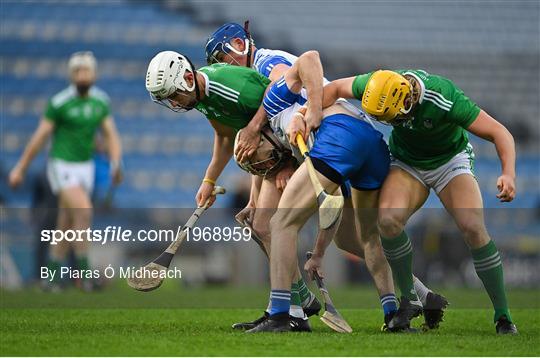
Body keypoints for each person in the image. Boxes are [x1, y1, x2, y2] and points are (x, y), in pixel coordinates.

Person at [206, 23, 447, 331]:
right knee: (356, 240)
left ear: (239, 45)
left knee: (282, 222)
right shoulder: (256, 89)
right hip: (364, 141)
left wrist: (311, 113)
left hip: (336, 136)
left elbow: (305, 70)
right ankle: (413, 301)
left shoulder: (264, 62)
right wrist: (265, 190)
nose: (223, 68)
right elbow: (280, 129)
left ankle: (284, 314)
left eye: (222, 59)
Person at [320, 69, 518, 334]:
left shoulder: (443, 97)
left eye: (392, 118)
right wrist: (306, 114)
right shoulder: (376, 83)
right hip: (407, 163)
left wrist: (508, 173)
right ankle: (410, 299)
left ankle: (503, 316)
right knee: (388, 221)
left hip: (450, 162)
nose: (390, 123)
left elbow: (500, 132)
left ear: (407, 102)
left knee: (472, 227)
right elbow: (332, 89)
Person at [145, 50, 319, 331]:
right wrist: (209, 181)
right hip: (276, 151)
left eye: (174, 95)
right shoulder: (200, 97)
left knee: (271, 226)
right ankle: (295, 305)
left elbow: (279, 109)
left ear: (188, 78)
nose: (174, 103)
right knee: (260, 226)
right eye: (168, 99)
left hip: (301, 139)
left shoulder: (233, 89)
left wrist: (288, 164)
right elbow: (225, 136)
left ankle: (291, 309)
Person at [9, 51, 122, 291]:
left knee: (66, 225)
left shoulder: (100, 101)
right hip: (62, 165)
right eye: (78, 71)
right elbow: (40, 137)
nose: (83, 75)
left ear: (94, 74)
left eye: (87, 71)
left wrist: (115, 163)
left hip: (85, 167)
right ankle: (85, 276)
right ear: (72, 75)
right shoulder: (59, 102)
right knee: (84, 212)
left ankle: (50, 279)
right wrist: (20, 168)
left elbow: (110, 134)